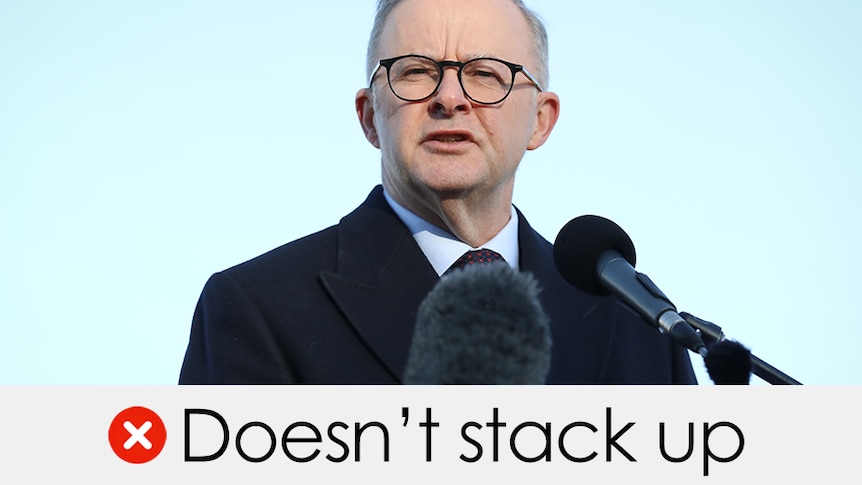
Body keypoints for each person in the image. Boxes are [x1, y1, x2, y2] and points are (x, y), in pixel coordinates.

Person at [178, 0, 697, 384]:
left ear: (541, 121)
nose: (450, 98)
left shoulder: (638, 316)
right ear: (369, 117)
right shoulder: (257, 307)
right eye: (417, 72)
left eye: (486, 74)